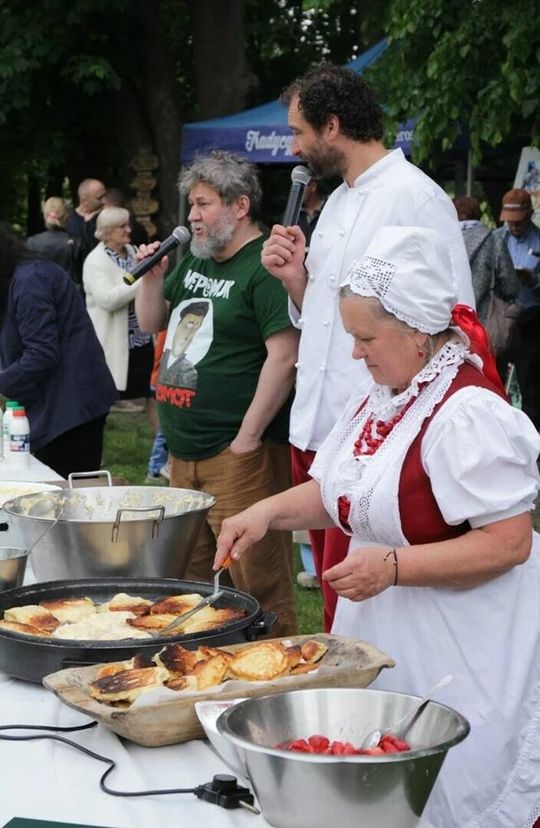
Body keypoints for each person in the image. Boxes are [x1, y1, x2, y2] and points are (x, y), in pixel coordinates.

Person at [215, 225, 540, 828]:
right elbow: (344, 492)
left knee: (445, 779)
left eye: (365, 338)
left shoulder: (467, 413)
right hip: (393, 631)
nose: (355, 353)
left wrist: (392, 567)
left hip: (466, 641)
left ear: (418, 334)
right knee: (383, 776)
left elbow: (509, 541)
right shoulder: (388, 393)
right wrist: (267, 513)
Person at [261, 64, 475, 631]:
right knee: (339, 605)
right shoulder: (334, 203)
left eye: (299, 132)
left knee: (366, 607)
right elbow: (329, 322)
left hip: (378, 435)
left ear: (332, 127)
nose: (293, 146)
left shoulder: (416, 197)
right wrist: (294, 281)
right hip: (318, 425)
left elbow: (454, 323)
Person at [136, 150, 299, 638]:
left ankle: (277, 682)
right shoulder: (193, 264)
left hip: (238, 454)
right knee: (191, 581)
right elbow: (150, 325)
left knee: (258, 580)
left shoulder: (264, 267)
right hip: (183, 452)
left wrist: (247, 439)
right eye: (191, 206)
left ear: (240, 205)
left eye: (203, 204)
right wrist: (152, 279)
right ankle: (207, 671)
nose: (192, 217)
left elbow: (285, 357)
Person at [0, 226, 117, 477]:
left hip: (71, 409)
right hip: (54, 402)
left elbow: (41, 354)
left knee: (65, 499)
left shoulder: (31, 281)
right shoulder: (17, 279)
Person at [83, 207, 154, 416]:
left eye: (127, 224)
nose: (128, 229)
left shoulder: (133, 252)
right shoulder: (95, 262)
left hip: (141, 341)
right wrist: (144, 281)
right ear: (107, 231)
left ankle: (159, 447)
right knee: (106, 399)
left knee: (152, 395)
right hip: (114, 345)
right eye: (122, 226)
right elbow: (108, 300)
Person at [494, 187, 540, 427]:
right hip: (502, 318)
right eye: (509, 222)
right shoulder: (498, 238)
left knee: (529, 381)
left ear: (530, 215)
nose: (513, 227)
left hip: (532, 320)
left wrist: (532, 279)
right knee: (494, 377)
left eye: (518, 223)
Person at [452, 195, 519, 323]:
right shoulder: (494, 239)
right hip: (486, 322)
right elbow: (511, 288)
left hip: (449, 323)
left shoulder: (440, 239)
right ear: (478, 214)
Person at [26, 197, 82, 283]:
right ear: (67, 215)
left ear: (44, 215)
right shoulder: (77, 243)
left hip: (40, 290)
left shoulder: (32, 242)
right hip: (68, 291)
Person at [66, 178, 106, 278]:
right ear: (84, 200)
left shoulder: (106, 217)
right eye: (99, 198)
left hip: (100, 273)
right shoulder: (68, 219)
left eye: (105, 196)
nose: (104, 201)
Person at [296, 179, 325, 248]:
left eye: (301, 187)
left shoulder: (330, 211)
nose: (297, 191)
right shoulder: (293, 213)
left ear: (313, 187)